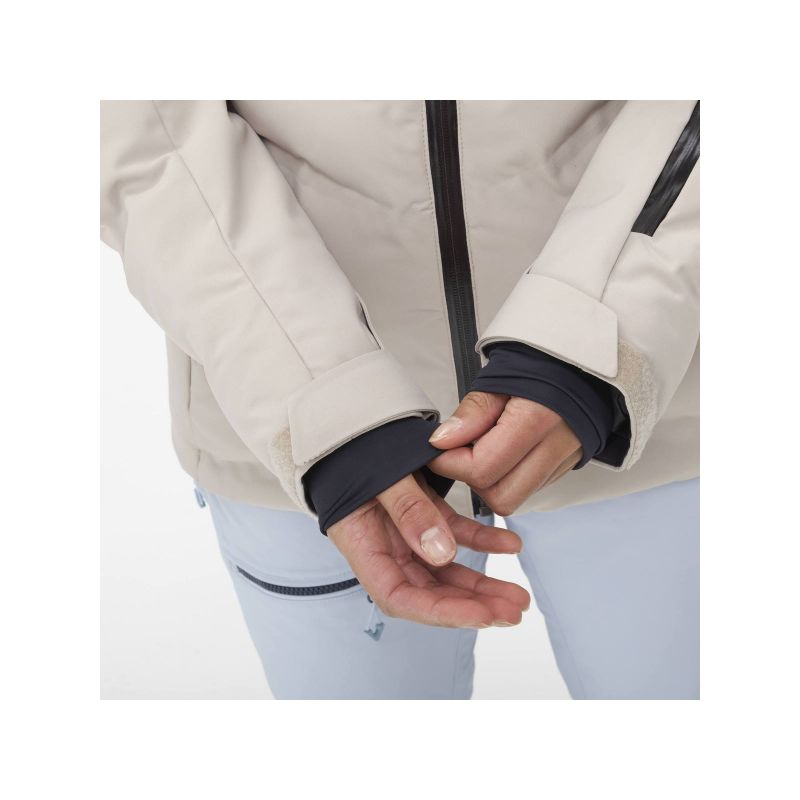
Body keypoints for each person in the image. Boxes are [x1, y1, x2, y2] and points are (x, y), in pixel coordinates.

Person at [100, 100, 699, 699]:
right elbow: (136, 123)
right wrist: (323, 401)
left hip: (643, 396)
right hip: (305, 445)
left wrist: (598, 335)